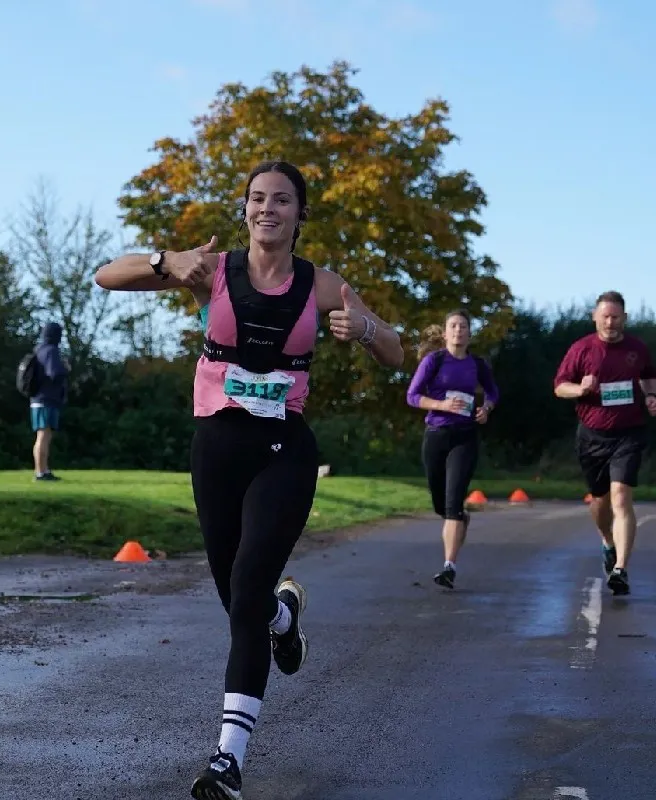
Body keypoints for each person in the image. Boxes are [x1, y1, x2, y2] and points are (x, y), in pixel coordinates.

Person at [95, 160, 404, 800]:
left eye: (283, 200)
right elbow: (104, 275)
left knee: (247, 584)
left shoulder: (321, 285)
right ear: (245, 209)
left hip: (284, 449)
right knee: (239, 596)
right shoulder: (213, 271)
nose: (269, 209)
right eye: (258, 198)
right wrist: (165, 260)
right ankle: (282, 618)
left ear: (299, 213)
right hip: (218, 446)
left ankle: (227, 761)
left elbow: (396, 350)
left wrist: (365, 330)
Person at [554, 290, 656, 596]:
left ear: (624, 318)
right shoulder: (582, 349)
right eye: (605, 316)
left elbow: (649, 376)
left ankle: (621, 569)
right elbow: (559, 387)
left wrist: (651, 397)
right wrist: (580, 389)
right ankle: (607, 541)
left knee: (621, 497)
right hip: (592, 435)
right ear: (595, 317)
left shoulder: (637, 349)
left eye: (616, 317)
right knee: (600, 502)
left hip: (629, 433)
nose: (610, 322)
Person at [405, 311, 499, 590]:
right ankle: (457, 516)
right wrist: (442, 405)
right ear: (445, 333)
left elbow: (493, 392)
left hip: (465, 437)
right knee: (440, 503)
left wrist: (486, 409)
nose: (458, 331)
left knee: (452, 504)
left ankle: (449, 566)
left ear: (470, 334)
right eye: (453, 326)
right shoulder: (434, 361)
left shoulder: (477, 364)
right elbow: (412, 395)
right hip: (436, 434)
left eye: (464, 327)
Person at [29, 322, 69, 481]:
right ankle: (41, 472)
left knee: (43, 435)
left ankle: (43, 470)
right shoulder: (51, 351)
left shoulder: (38, 350)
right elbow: (54, 373)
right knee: (43, 435)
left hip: (37, 399)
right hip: (46, 399)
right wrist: (65, 368)